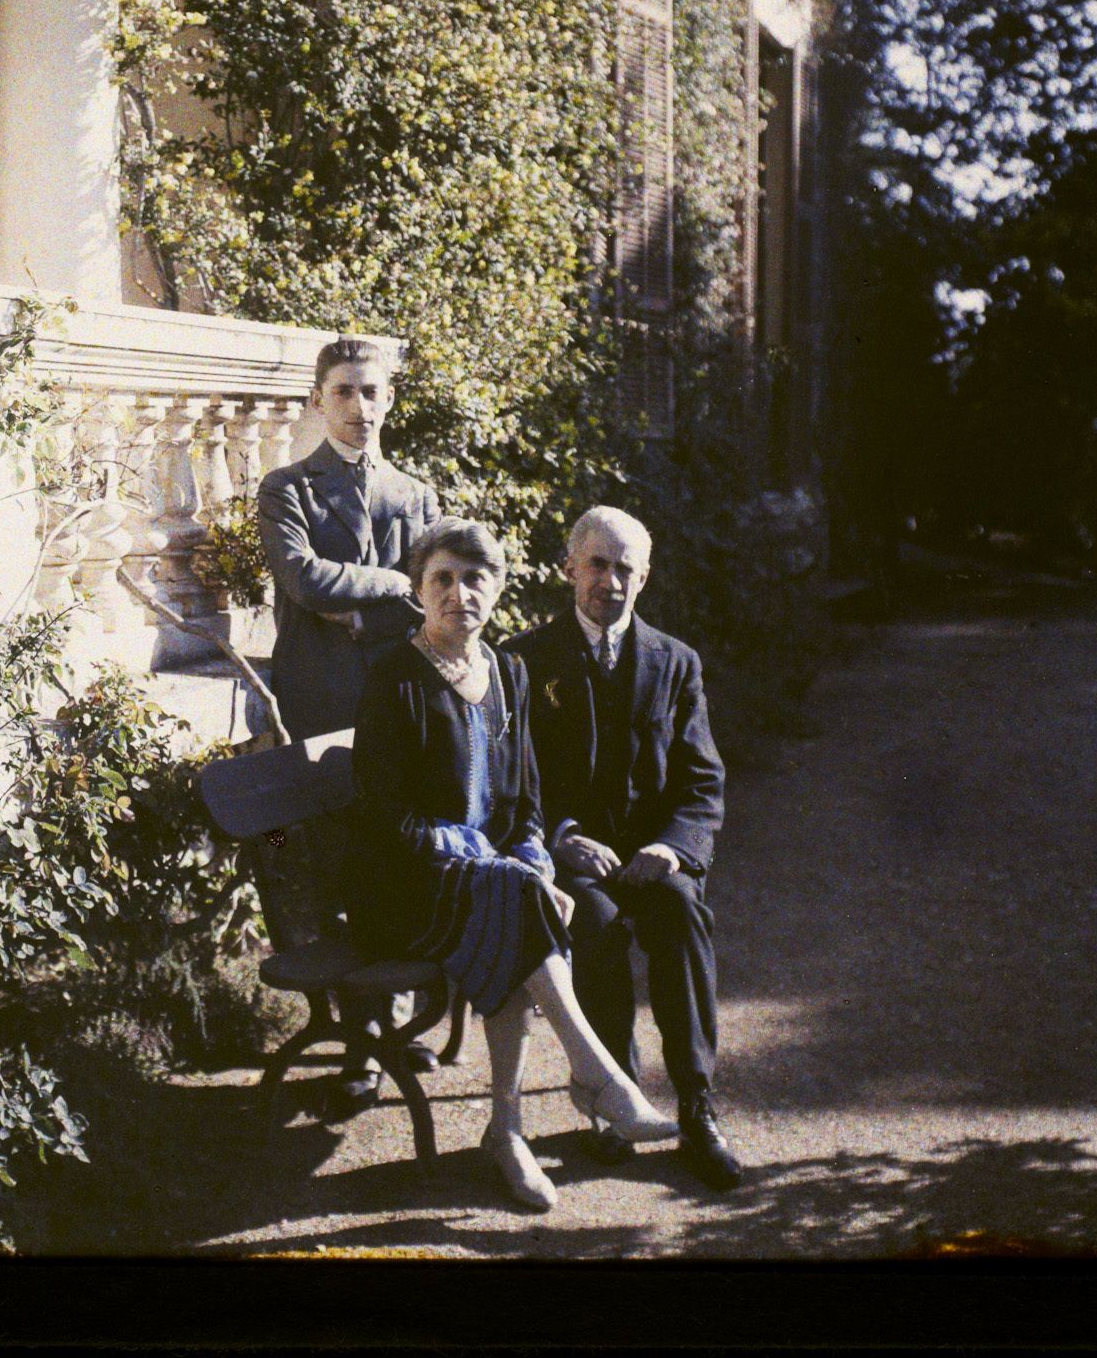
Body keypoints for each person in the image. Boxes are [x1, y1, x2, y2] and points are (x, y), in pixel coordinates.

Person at [349, 518, 678, 1214]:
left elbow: (525, 801)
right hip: (405, 890)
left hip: (489, 888)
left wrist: (529, 858)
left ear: (497, 591)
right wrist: (503, 865)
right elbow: (386, 816)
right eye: (442, 578)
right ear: (416, 590)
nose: (458, 593)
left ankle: (509, 1131)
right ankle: (595, 1079)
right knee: (513, 896)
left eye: (476, 579)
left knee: (513, 898)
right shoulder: (392, 677)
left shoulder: (508, 674)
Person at [512, 506, 743, 1191]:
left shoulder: (675, 662)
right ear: (568, 569)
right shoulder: (524, 661)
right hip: (571, 858)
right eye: (597, 565)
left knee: (680, 913)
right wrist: (559, 837)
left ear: (643, 580)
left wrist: (673, 849)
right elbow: (510, 779)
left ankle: (697, 1107)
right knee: (598, 925)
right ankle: (611, 1101)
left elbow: (702, 780)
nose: (609, 582)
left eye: (625, 570)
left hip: (648, 855)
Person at [257, 334, 441, 1119]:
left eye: (372, 392)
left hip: (399, 704)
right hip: (321, 703)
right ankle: (358, 1044)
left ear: (388, 398)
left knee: (400, 855)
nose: (360, 408)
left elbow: (436, 597)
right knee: (335, 864)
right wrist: (393, 585)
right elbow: (302, 578)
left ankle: (397, 1019)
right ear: (318, 400)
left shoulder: (417, 496)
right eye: (343, 392)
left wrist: (361, 602)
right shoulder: (289, 488)